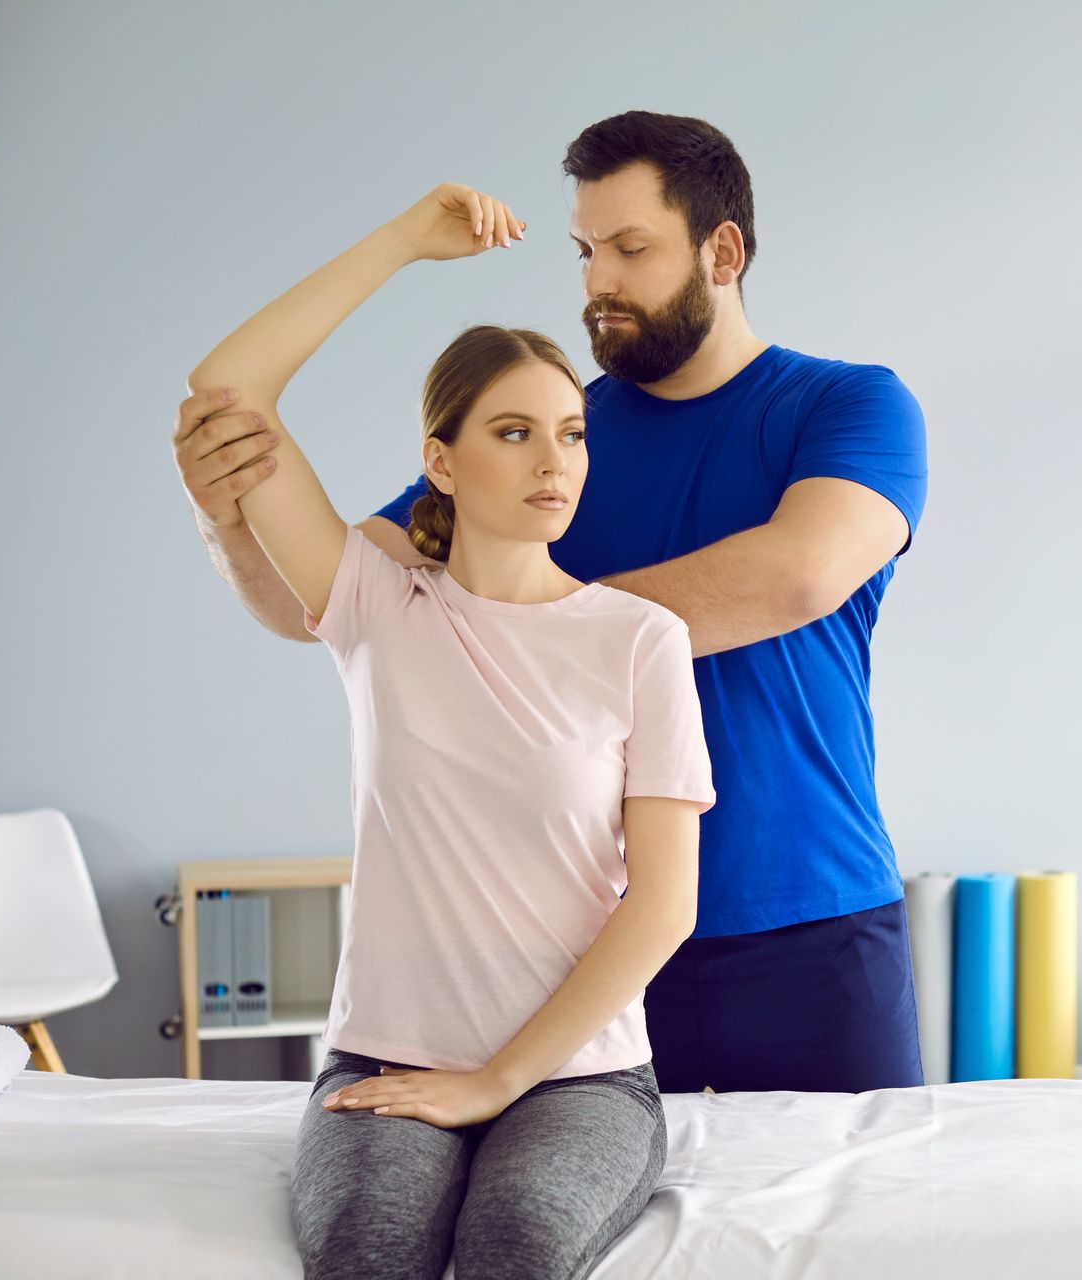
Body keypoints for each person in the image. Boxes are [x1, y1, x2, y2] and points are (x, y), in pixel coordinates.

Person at [173, 111, 931, 1094]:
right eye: (583, 251)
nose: (597, 281)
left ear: (724, 251)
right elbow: (331, 603)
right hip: (585, 948)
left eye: (630, 248)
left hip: (812, 923)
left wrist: (540, 621)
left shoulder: (849, 405)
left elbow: (796, 575)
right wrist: (226, 518)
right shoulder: (545, 440)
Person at [183, 180, 715, 1279]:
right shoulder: (375, 602)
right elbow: (227, 389)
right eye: (513, 433)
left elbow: (663, 903)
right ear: (442, 460)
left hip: (580, 1075)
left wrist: (492, 1082)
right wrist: (402, 243)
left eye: (569, 433)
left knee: (516, 1246)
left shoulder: (640, 638)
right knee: (368, 1255)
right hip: (384, 1057)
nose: (552, 461)